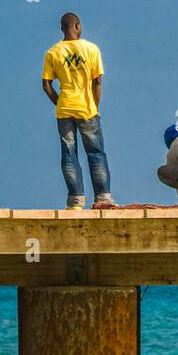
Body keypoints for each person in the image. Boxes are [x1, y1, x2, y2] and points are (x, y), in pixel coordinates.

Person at [42, 12, 115, 208]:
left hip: (65, 109)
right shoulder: (91, 49)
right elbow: (97, 81)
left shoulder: (53, 53)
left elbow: (47, 85)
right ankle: (103, 197)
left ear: (61, 29)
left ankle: (75, 199)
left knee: (69, 154)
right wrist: (95, 106)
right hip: (87, 108)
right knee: (96, 153)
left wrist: (58, 103)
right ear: (77, 26)